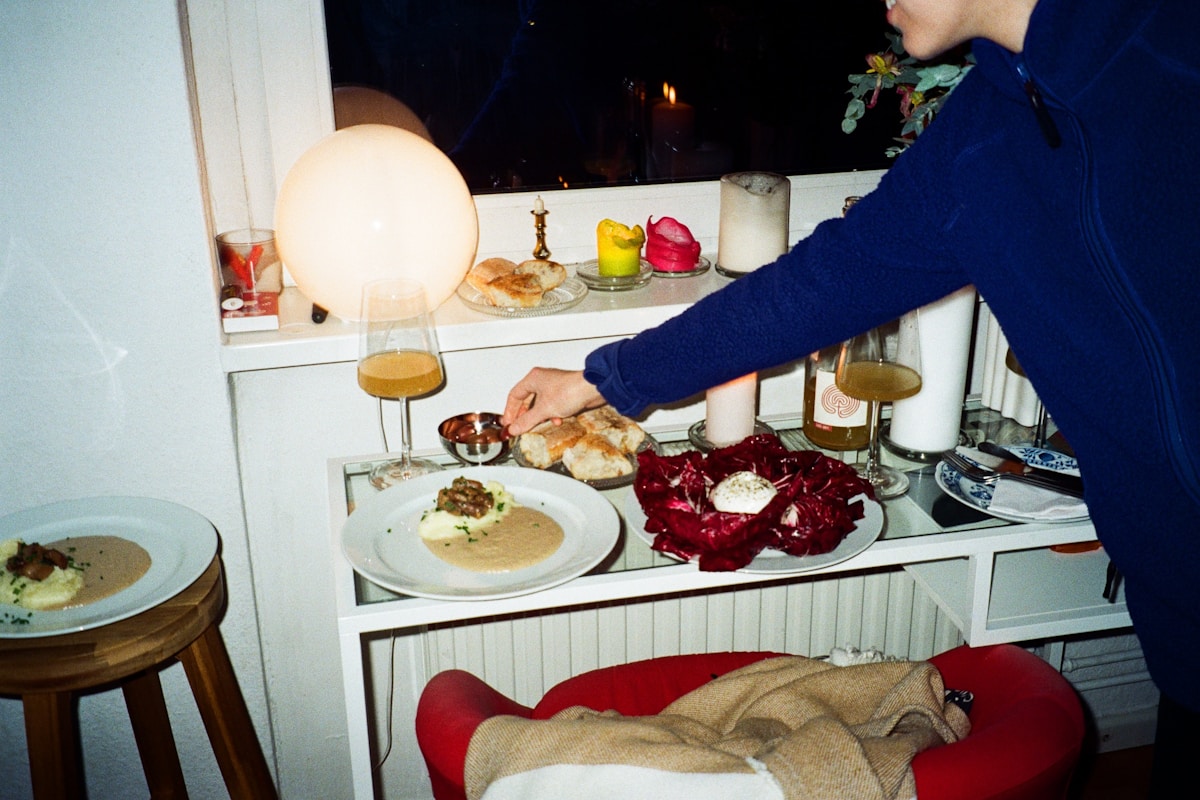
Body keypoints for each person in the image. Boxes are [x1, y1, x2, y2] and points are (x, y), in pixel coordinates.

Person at [502, 0, 1199, 794]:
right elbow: (807, 290)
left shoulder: (1175, 52)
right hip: (1180, 623)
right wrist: (603, 379)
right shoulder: (982, 136)